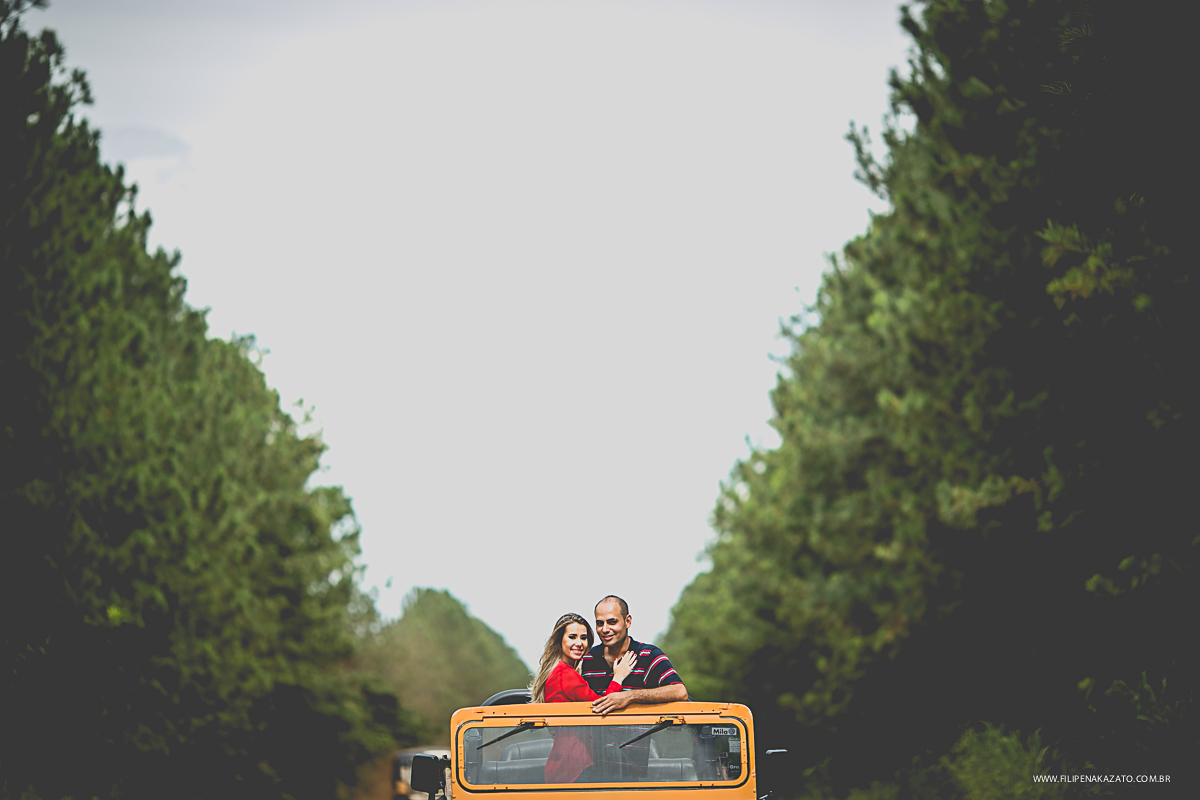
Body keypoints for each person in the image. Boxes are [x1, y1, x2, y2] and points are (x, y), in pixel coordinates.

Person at [530, 613, 637, 783]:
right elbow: (601, 707)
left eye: (584, 638)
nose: (579, 643)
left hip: (566, 764)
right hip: (574, 766)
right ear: (560, 641)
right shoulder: (565, 674)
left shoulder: (560, 671)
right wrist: (618, 677)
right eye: (572, 637)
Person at [582, 595, 687, 714]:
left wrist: (630, 696)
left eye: (612, 622)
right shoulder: (587, 659)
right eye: (600, 623)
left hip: (642, 733)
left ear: (627, 621)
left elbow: (680, 691)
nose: (605, 629)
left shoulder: (648, 655)